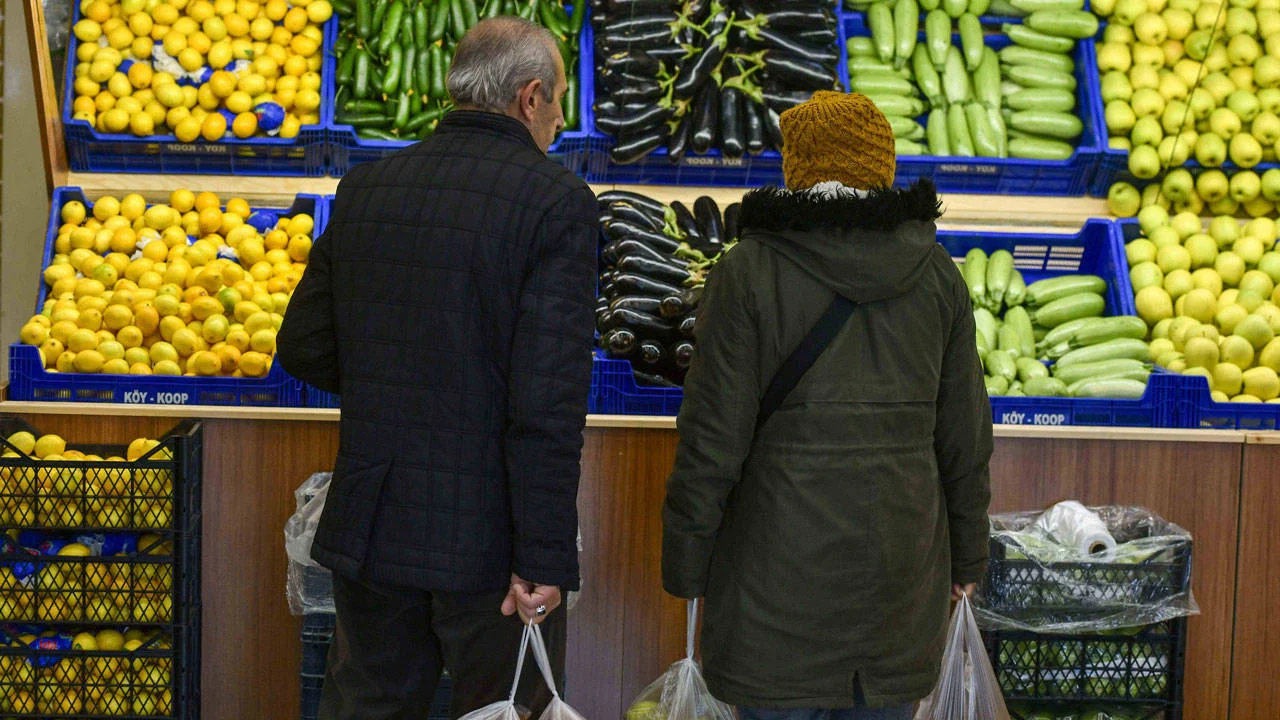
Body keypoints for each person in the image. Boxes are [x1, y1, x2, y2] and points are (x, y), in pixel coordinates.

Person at [277, 17, 597, 720]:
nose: (560, 121)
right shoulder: (557, 204)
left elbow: (301, 345)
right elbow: (546, 404)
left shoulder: (368, 187)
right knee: (500, 707)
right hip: (491, 539)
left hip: (374, 519)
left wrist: (393, 381)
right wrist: (543, 558)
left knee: (371, 704)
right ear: (531, 97)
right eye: (558, 100)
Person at [661, 91, 994, 719]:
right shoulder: (937, 275)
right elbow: (966, 436)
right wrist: (969, 554)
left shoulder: (748, 271)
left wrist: (687, 564)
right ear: (883, 168)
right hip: (900, 587)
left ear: (798, 171)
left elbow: (711, 438)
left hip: (773, 593)